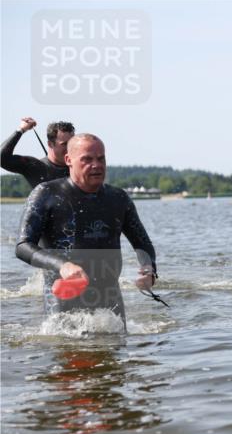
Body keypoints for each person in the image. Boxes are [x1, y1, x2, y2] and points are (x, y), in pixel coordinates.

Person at [15, 134, 158, 326]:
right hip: (63, 300)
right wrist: (62, 265)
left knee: (115, 352)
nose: (96, 165)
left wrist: (149, 270)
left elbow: (142, 243)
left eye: (101, 159)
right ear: (69, 160)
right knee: (71, 351)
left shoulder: (118, 198)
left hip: (110, 301)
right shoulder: (46, 193)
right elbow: (23, 246)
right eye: (87, 159)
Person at [1, 117, 74, 188]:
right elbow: (2, 158)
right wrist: (21, 130)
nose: (69, 148)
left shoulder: (79, 166)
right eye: (64, 144)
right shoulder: (35, 166)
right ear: (50, 144)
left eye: (72, 143)